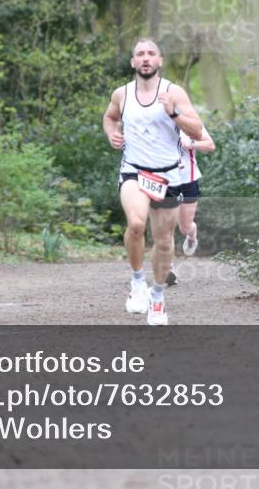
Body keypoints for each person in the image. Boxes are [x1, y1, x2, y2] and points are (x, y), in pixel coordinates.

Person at [103, 38, 204, 325]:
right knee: (136, 224)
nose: (145, 58)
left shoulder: (174, 92)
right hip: (134, 170)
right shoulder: (121, 94)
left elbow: (196, 130)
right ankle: (137, 282)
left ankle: (157, 297)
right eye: (140, 54)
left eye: (151, 54)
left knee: (163, 240)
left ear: (159, 61)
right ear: (133, 62)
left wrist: (173, 112)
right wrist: (111, 133)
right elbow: (109, 118)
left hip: (167, 174)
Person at [166, 126, 216, 286]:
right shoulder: (156, 122)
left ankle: (192, 234)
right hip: (165, 180)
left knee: (185, 227)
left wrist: (192, 143)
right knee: (166, 225)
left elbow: (210, 145)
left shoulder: (189, 122)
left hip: (189, 180)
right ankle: (168, 268)